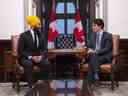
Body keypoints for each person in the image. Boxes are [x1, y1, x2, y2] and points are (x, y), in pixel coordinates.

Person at [18, 16, 49, 88]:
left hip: (38, 57)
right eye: (38, 24)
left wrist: (41, 56)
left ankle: (43, 84)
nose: (40, 26)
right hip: (26, 58)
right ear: (32, 25)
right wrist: (31, 57)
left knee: (46, 63)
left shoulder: (41, 35)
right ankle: (31, 86)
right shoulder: (23, 35)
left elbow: (44, 49)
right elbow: (20, 50)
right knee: (29, 64)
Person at [87, 18, 112, 86]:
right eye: (92, 26)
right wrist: (86, 47)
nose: (93, 27)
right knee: (93, 56)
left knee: (92, 60)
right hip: (95, 56)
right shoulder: (92, 35)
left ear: (100, 26)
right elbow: (89, 46)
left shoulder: (108, 35)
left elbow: (107, 49)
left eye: (94, 25)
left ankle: (89, 83)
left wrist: (95, 51)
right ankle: (96, 76)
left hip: (104, 56)